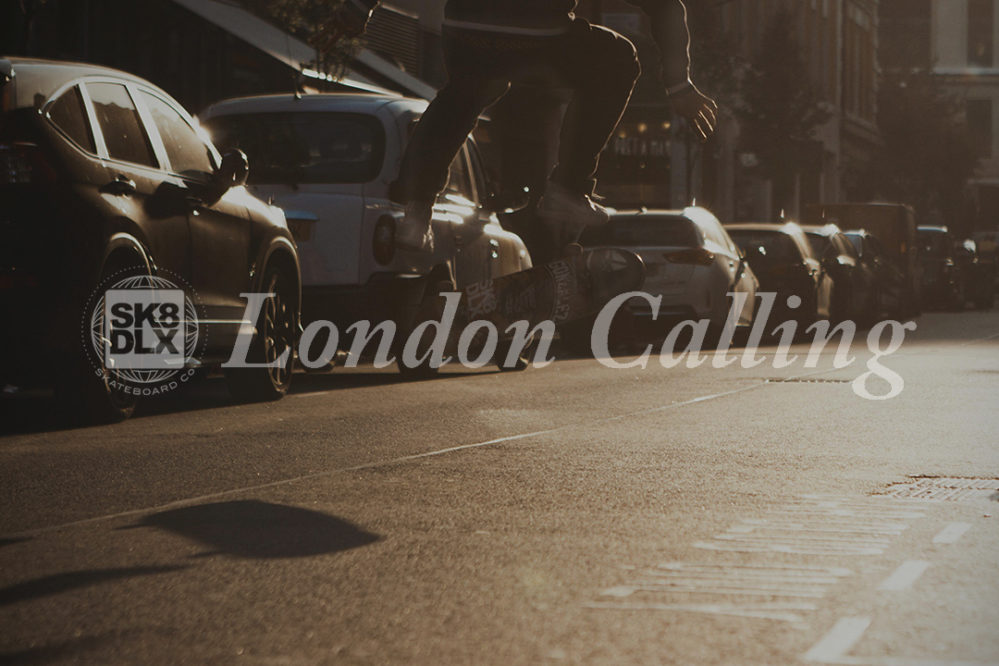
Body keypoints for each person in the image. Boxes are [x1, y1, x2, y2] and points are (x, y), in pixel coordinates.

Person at [319, 0, 717, 254]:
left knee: (462, 95)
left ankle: (416, 208)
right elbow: (666, 7)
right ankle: (569, 188)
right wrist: (678, 85)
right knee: (619, 59)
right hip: (539, 36)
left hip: (466, 31)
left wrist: (356, 10)